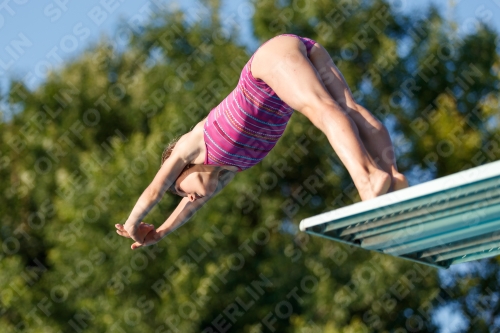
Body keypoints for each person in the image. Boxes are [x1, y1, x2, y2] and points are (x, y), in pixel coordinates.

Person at [115, 34, 409, 249]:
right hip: (299, 53)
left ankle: (368, 179)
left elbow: (155, 189)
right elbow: (189, 210)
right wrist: (160, 233)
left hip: (270, 61)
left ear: (183, 169)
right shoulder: (231, 169)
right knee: (349, 109)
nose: (189, 199)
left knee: (322, 109)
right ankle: (392, 178)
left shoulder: (194, 144)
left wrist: (131, 226)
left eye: (180, 190)